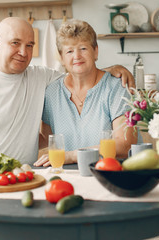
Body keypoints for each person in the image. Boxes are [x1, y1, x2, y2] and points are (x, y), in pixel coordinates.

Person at [0, 17, 135, 239]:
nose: (23, 51)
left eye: (30, 45)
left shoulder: (41, 78)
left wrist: (113, 69)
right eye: (15, 43)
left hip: (21, 178)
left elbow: (80, 71)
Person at [34, 19, 137, 167]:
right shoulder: (51, 93)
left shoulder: (117, 87)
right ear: (62, 58)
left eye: (83, 48)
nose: (77, 56)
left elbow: (124, 145)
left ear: (95, 51)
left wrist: (73, 155)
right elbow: (46, 138)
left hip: (112, 174)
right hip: (69, 177)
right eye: (69, 51)